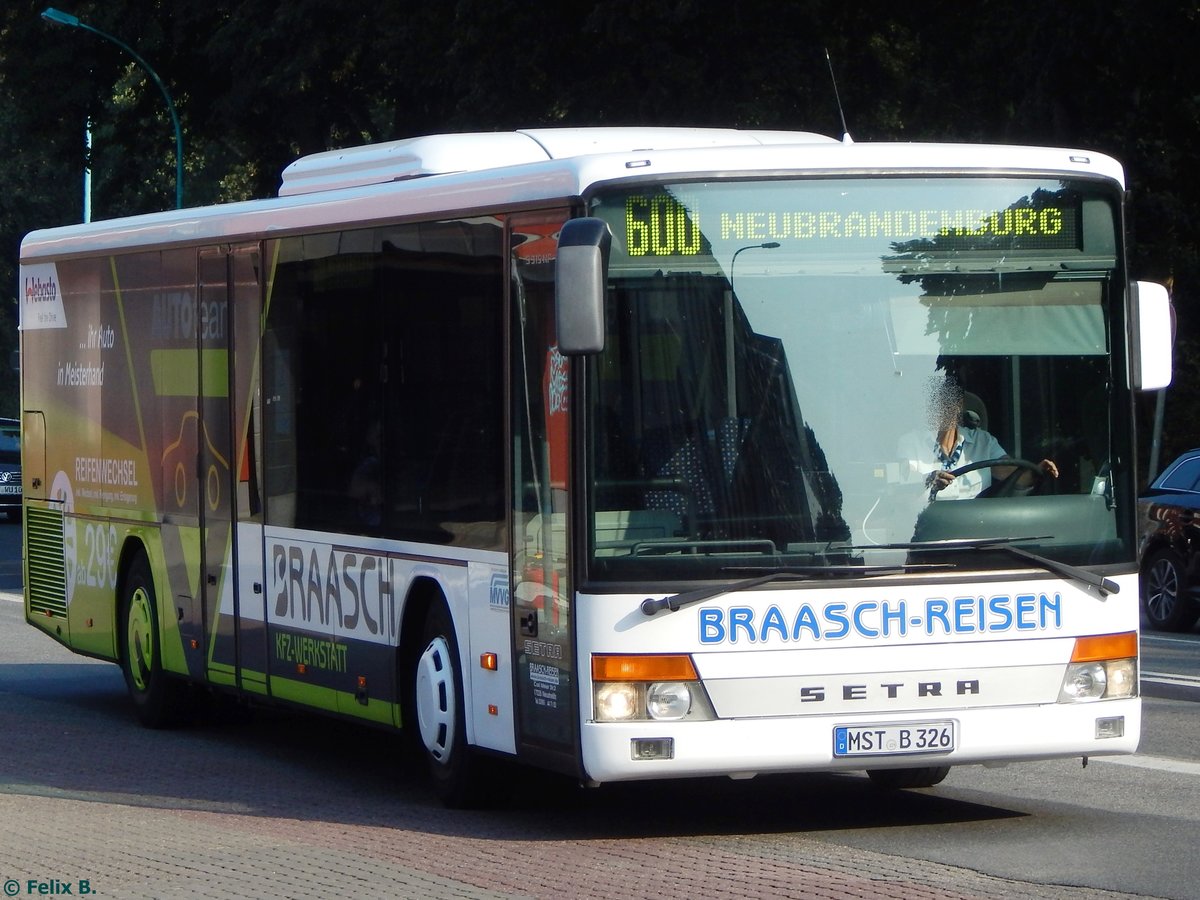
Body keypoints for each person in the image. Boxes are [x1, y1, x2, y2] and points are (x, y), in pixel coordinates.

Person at [898, 377, 1058, 500]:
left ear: (960, 404)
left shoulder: (983, 441)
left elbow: (1013, 476)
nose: (946, 407)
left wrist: (1036, 472)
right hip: (928, 533)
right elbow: (904, 487)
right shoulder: (910, 443)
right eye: (939, 400)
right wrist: (929, 480)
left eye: (951, 400)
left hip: (977, 533)